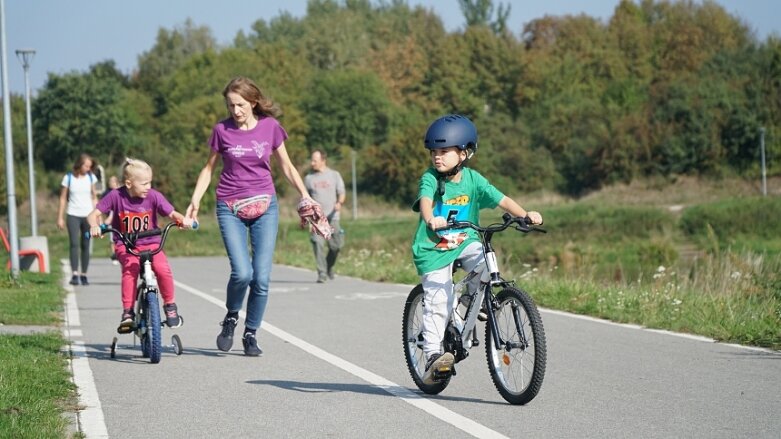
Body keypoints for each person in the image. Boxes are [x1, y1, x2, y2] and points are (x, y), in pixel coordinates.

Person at [185, 76, 314, 357]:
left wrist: (304, 194)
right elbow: (208, 169)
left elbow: (287, 167)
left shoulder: (270, 127)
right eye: (231, 105)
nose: (235, 110)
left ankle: (251, 332)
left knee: (262, 278)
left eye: (240, 104)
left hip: (265, 207)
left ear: (253, 102)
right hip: (229, 206)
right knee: (242, 272)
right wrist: (195, 199)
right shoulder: (222, 130)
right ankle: (232, 316)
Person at [411, 114, 543, 385]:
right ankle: (434, 354)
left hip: (465, 240)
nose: (437, 157)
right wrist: (430, 218)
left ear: (465, 153)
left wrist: (525, 214)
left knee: (486, 261)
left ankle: (474, 299)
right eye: (434, 152)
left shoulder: (473, 180)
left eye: (444, 151)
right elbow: (425, 200)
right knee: (438, 300)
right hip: (434, 247)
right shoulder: (431, 179)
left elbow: (501, 199)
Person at [87, 158, 190, 333]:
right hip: (126, 245)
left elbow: (172, 214)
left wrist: (183, 220)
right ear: (129, 183)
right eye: (144, 183)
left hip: (152, 244)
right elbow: (93, 214)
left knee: (163, 269)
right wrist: (94, 225)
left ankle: (170, 305)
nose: (148, 187)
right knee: (130, 269)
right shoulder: (116, 196)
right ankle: (127, 312)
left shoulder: (154, 196)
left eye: (150, 182)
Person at [304, 149, 346, 283]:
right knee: (317, 243)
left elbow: (342, 192)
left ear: (323, 161)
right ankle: (322, 273)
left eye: (315, 161)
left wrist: (339, 203)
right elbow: (306, 200)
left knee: (336, 246)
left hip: (333, 217)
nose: (312, 163)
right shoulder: (309, 178)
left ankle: (328, 266)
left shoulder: (334, 175)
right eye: (311, 160)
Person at [57, 153, 98, 286]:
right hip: (73, 214)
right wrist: (60, 217)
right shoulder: (68, 178)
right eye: (86, 166)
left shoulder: (91, 178)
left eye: (89, 166)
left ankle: (84, 274)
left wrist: (98, 216)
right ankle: (74, 274)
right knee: (74, 244)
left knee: (86, 245)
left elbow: (94, 197)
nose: (88, 168)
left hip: (88, 215)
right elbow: (63, 198)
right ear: (79, 164)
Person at [102, 175, 121, 265]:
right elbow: (101, 207)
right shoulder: (106, 193)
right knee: (112, 238)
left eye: (112, 181)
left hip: (121, 219)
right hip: (111, 219)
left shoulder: (121, 192)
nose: (110, 183)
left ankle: (120, 253)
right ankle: (114, 254)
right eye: (109, 181)